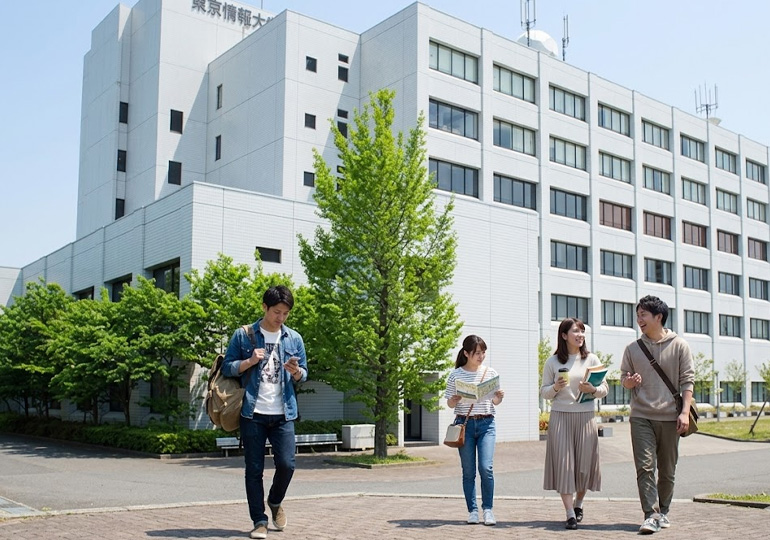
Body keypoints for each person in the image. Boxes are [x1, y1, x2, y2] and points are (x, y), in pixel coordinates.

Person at [223, 285, 308, 540]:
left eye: (285, 313)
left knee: (287, 464)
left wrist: (296, 372)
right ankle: (259, 521)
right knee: (254, 470)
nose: (280, 318)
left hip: (283, 413)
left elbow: (304, 373)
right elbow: (227, 368)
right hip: (252, 413)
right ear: (264, 307)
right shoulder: (244, 336)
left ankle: (274, 501)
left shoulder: (294, 338)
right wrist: (249, 361)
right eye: (276, 312)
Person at [620, 295, 694, 535]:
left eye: (643, 315)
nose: (639, 319)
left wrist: (684, 412)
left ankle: (663, 510)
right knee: (645, 466)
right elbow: (623, 379)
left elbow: (687, 381)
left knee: (667, 470)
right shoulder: (632, 348)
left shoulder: (680, 345)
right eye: (637, 315)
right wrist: (629, 382)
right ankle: (650, 514)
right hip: (641, 415)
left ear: (658, 317)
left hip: (671, 417)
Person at [540, 318, 608, 530]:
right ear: (564, 335)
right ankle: (569, 513)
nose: (580, 335)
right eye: (575, 331)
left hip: (586, 417)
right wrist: (556, 388)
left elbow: (604, 387)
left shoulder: (591, 358)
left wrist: (593, 390)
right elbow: (543, 392)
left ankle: (579, 504)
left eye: (582, 332)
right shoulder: (552, 362)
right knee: (564, 465)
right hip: (560, 416)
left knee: (583, 467)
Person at [445, 335, 505, 526]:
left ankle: (488, 509)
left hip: (487, 424)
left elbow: (494, 402)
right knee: (468, 471)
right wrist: (453, 400)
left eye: (483, 352)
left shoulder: (490, 372)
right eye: (477, 353)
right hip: (465, 424)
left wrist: (498, 397)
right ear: (466, 353)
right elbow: (449, 402)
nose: (481, 356)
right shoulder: (456, 375)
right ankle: (472, 511)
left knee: (486, 468)